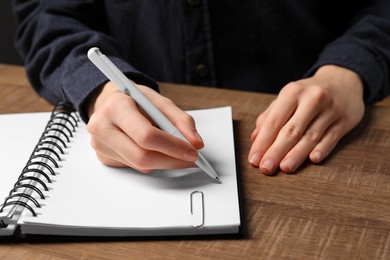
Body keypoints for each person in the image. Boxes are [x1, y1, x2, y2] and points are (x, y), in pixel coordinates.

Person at [13, 0, 390, 175]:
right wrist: (102, 88)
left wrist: (349, 68)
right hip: (138, 97)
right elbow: (47, 13)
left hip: (315, 121)